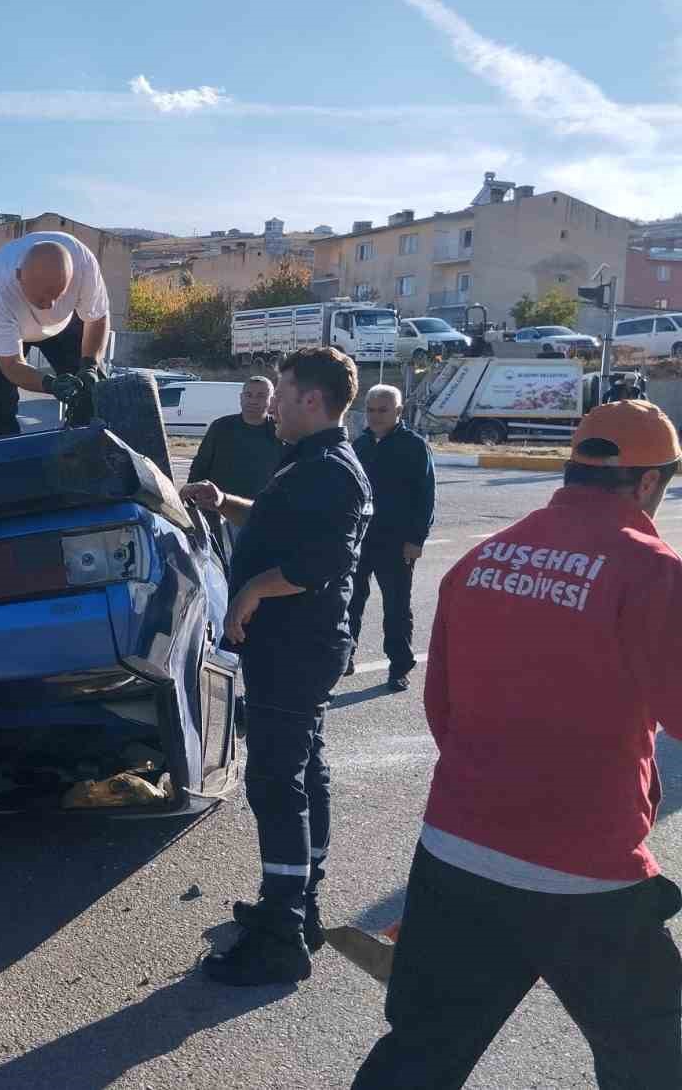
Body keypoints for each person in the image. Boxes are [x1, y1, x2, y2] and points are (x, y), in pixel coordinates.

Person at [353, 400, 682, 1089]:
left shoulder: (481, 560)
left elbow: (444, 711)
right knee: (648, 1057)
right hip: (584, 870)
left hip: (457, 850)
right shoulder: (653, 572)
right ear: (649, 483)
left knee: (421, 1051)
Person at [182, 347, 371, 986]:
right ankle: (299, 903)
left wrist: (252, 589)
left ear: (310, 400)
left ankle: (283, 934)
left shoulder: (330, 471)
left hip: (297, 647)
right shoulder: (308, 463)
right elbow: (275, 523)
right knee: (301, 770)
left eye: (284, 393)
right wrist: (224, 501)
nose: (275, 405)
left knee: (275, 781)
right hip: (292, 646)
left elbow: (320, 562)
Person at [0, 231, 113, 439]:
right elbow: (11, 366)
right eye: (42, 297)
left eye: (58, 295)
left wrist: (90, 365)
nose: (49, 306)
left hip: (66, 325)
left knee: (91, 395)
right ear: (19, 277)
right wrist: (50, 384)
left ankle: (82, 455)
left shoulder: (84, 265)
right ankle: (4, 462)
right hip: (12, 327)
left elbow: (97, 318)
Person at [347, 385, 435, 690]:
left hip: (397, 542)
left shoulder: (414, 446)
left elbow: (426, 497)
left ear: (398, 412)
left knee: (396, 608)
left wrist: (417, 539)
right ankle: (345, 655)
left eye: (382, 410)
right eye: (370, 410)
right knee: (350, 602)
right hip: (359, 541)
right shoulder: (359, 445)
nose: (375, 416)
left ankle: (399, 666)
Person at [186, 375, 283, 541]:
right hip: (217, 514)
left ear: (272, 400)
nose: (253, 400)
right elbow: (200, 466)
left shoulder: (280, 432)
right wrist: (191, 500)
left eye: (261, 396)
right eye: (248, 395)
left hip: (259, 517)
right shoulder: (221, 427)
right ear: (241, 398)